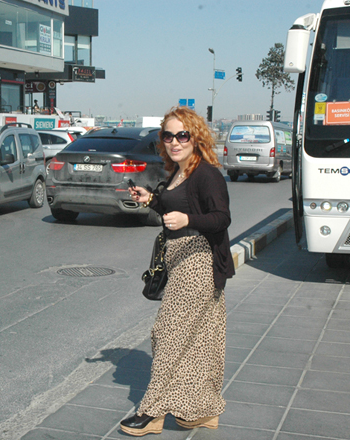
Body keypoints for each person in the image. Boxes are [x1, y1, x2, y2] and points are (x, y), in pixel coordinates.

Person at [122, 106, 234, 436]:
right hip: (179, 260)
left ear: (195, 136)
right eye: (168, 135)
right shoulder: (180, 171)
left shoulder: (206, 174)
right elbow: (175, 206)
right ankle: (201, 411)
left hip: (198, 263)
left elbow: (222, 218)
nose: (174, 141)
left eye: (182, 135)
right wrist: (150, 200)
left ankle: (152, 412)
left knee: (167, 334)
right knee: (198, 341)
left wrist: (189, 221)